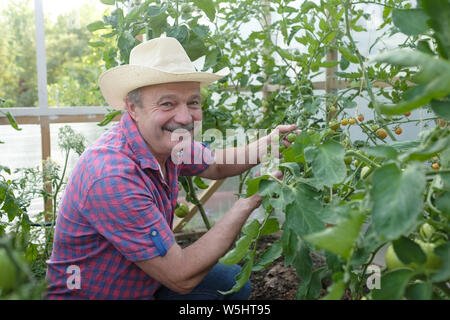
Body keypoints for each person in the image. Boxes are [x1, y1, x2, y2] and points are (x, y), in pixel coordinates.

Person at [45, 37, 297, 300]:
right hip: (97, 295)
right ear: (133, 108)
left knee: (230, 281)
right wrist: (250, 200)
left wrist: (268, 144)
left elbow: (215, 163)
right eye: (167, 104)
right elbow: (181, 276)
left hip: (143, 280)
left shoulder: (166, 141)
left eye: (193, 102)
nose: (186, 117)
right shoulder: (112, 175)